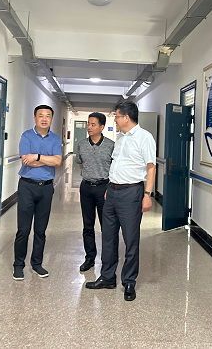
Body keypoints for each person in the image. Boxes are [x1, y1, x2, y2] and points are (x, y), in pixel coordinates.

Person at [86, 101, 156, 301]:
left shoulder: (144, 137)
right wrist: (109, 187)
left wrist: (147, 194)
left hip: (131, 193)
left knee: (131, 239)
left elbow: (151, 167)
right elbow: (116, 164)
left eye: (116, 116)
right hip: (112, 192)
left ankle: (129, 281)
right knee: (108, 237)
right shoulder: (120, 137)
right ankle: (107, 277)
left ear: (126, 117)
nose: (115, 120)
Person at [13, 105, 63, 281]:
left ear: (51, 119)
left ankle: (37, 264)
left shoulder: (55, 139)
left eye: (48, 116)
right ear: (35, 118)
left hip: (46, 188)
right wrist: (47, 160)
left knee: (40, 230)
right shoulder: (26, 136)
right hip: (27, 186)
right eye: (41, 115)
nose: (44, 119)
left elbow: (58, 161)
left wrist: (37, 156)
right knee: (23, 229)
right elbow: (26, 161)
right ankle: (18, 265)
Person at [75, 112, 115, 272]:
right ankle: (89, 258)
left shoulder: (111, 145)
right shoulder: (81, 144)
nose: (89, 127)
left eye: (93, 124)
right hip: (86, 188)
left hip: (104, 188)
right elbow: (80, 161)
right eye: (88, 124)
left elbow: (115, 168)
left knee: (107, 226)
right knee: (87, 225)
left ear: (102, 127)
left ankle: (108, 260)